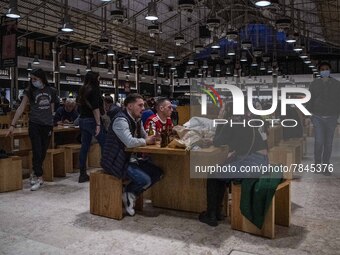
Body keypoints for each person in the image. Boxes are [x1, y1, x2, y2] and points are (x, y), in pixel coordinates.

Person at [198, 101, 269, 227]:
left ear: (228, 110)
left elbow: (217, 141)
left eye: (223, 109)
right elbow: (241, 143)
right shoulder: (247, 120)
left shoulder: (231, 122)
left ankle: (211, 214)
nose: (221, 111)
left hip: (251, 164)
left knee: (213, 175)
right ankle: (217, 212)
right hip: (262, 161)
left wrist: (220, 120)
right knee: (220, 171)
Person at [101, 93, 163, 216]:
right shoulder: (120, 120)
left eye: (143, 105)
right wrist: (146, 141)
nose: (143, 108)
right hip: (115, 161)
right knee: (145, 180)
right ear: (129, 106)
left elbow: (145, 136)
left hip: (130, 159)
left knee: (158, 173)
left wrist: (154, 138)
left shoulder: (137, 119)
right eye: (140, 105)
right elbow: (129, 142)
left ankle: (130, 194)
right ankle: (129, 193)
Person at [6, 68, 57, 191]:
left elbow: (52, 108)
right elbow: (21, 108)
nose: (33, 81)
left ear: (42, 78)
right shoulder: (29, 91)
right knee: (37, 150)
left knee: (43, 151)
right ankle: (39, 177)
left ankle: (34, 172)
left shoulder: (52, 91)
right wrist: (12, 125)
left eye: (35, 79)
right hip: (35, 124)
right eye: (32, 79)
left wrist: (52, 121)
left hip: (47, 125)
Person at [306, 61, 340, 175]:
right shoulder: (314, 84)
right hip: (317, 116)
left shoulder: (336, 84)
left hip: (332, 117)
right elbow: (310, 99)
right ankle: (317, 164)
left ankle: (325, 166)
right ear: (320, 71)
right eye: (322, 69)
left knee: (328, 143)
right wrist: (308, 113)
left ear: (330, 70)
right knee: (319, 141)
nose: (324, 71)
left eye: (326, 69)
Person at [77, 71, 106, 183]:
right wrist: (98, 124)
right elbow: (95, 108)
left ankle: (82, 174)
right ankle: (106, 169)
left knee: (84, 147)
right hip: (92, 120)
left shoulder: (82, 89)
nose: (99, 80)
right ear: (95, 79)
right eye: (99, 78)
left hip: (82, 120)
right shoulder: (95, 89)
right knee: (105, 143)